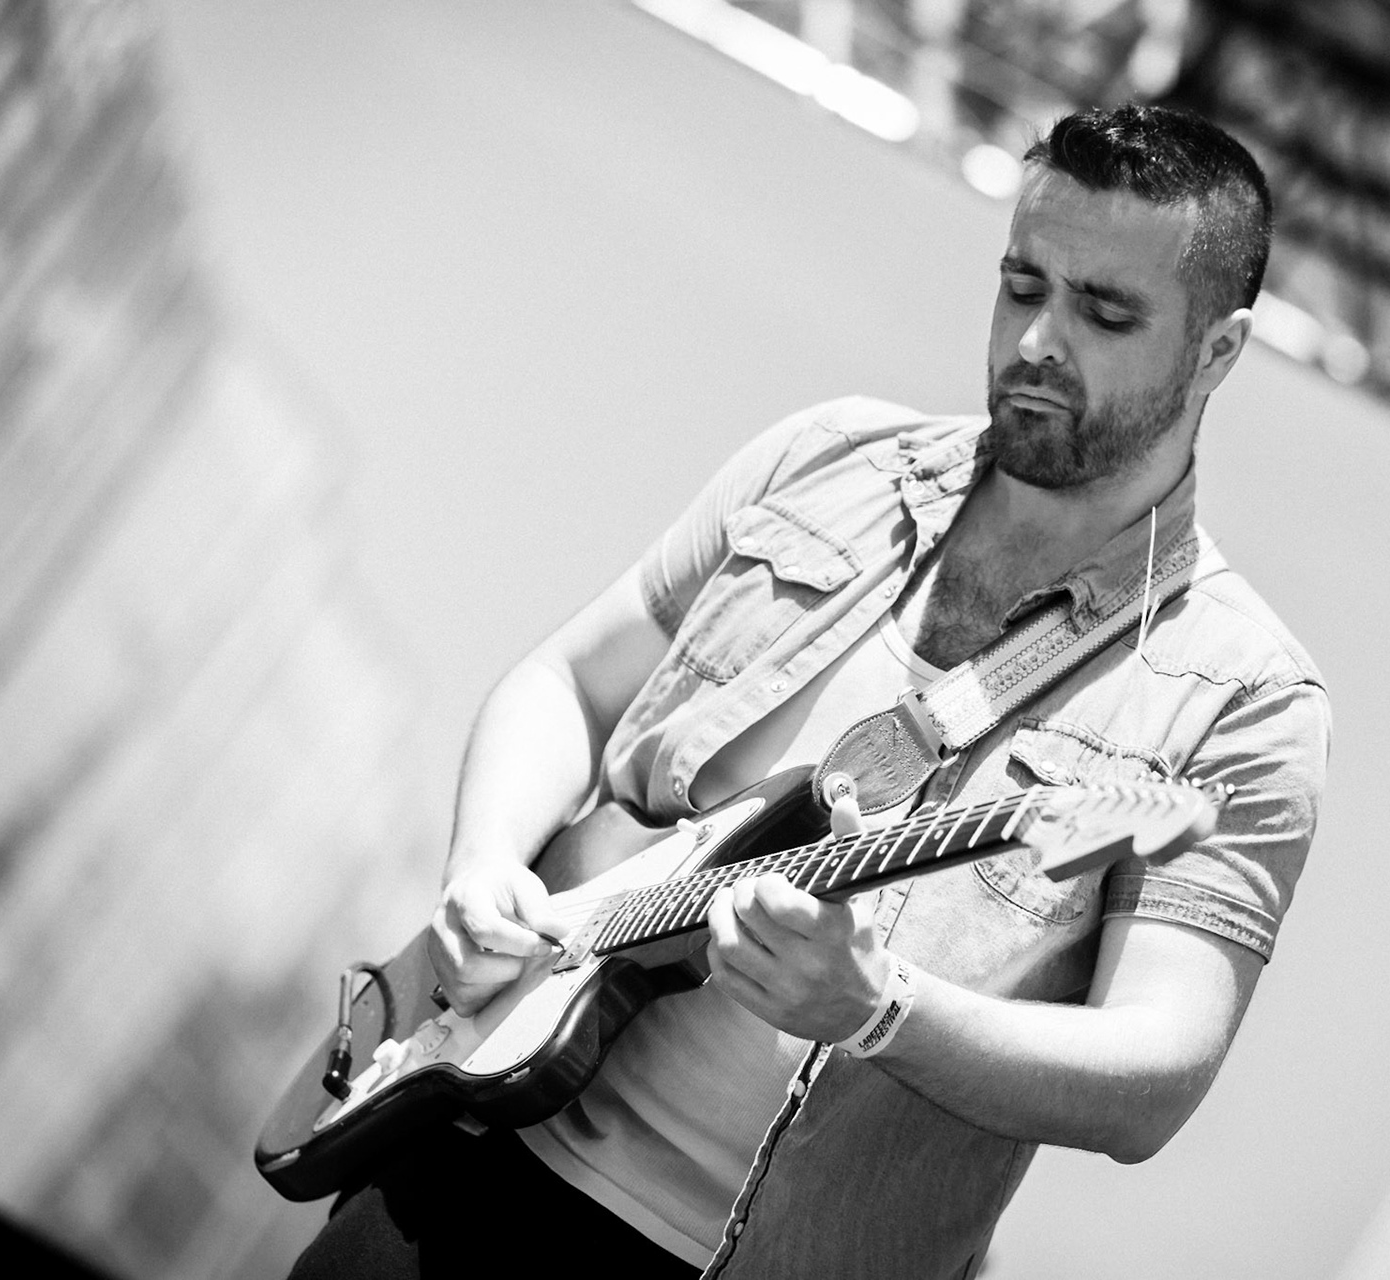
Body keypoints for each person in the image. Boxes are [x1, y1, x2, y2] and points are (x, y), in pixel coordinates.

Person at [291, 102, 1329, 1280]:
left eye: (1104, 311)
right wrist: (483, 864)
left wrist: (880, 1006)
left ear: (1218, 350)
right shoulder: (831, 459)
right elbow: (567, 685)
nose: (1038, 339)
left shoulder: (1243, 699)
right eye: (1022, 283)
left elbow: (1154, 1073)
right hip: (460, 1154)